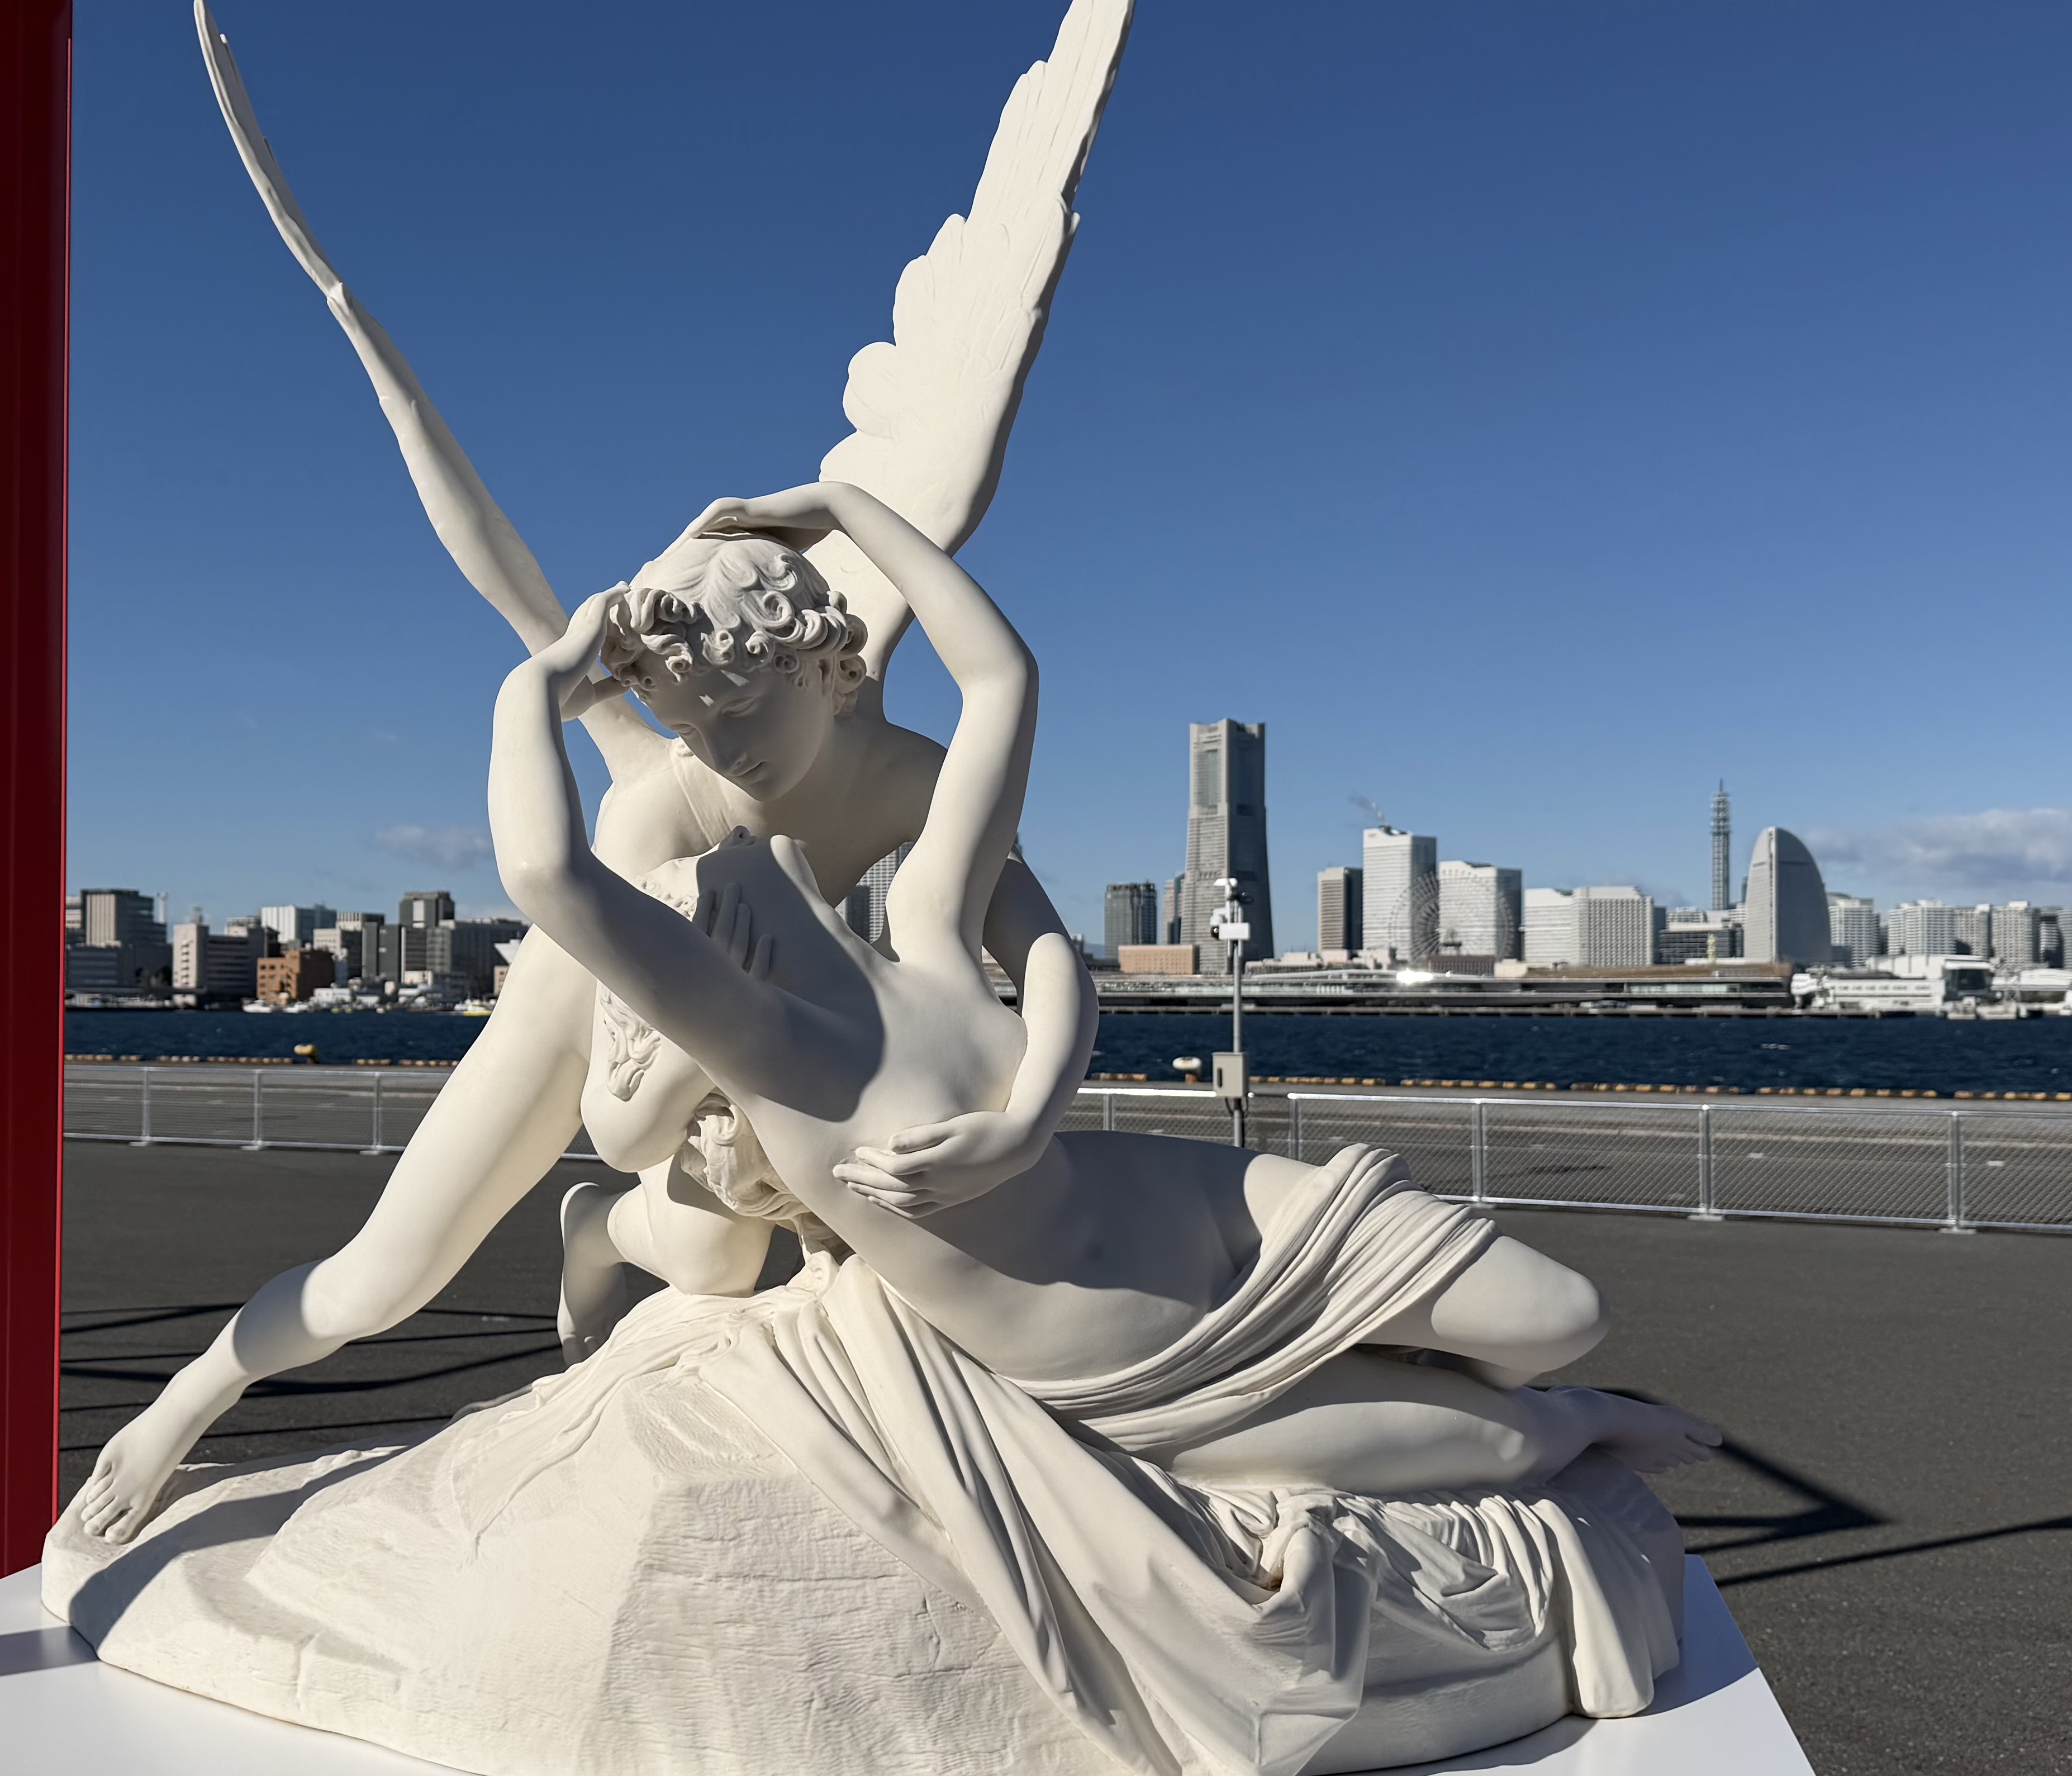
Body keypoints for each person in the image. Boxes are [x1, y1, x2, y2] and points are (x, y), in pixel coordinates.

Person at [492, 482, 1721, 1492]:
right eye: (700, 884)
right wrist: (538, 685)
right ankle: (1573, 1422)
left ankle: (1460, 1374)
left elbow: (1001, 679)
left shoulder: (924, 922)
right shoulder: (754, 1039)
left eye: (735, 718)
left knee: (1560, 1315)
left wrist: (843, 508)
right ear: (712, 948)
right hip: (1129, 1356)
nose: (722, 817)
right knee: (1522, 1438)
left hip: (1200, 1208)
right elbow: (547, 876)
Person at [72, 529, 1097, 1542]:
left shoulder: (914, 772)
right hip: (595, 991)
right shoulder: (657, 816)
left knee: (713, 1264)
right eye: (687, 725)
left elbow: (1043, 949)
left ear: (817, 663)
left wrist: (1024, 1126)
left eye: (739, 706)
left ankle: (600, 1228)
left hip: (724, 1001)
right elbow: (623, 1118)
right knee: (380, 1280)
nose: (723, 748)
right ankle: (193, 1393)